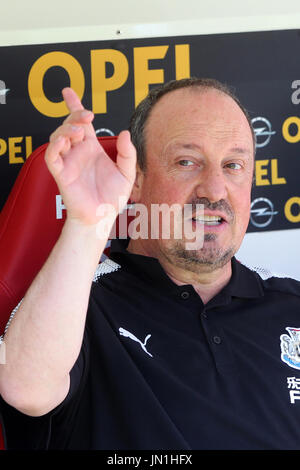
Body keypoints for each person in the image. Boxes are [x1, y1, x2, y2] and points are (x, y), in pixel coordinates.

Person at [1, 77, 300, 450]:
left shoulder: (290, 301)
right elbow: (22, 387)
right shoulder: (81, 303)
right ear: (136, 181)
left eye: (233, 165)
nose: (215, 189)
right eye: (187, 162)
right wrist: (89, 222)